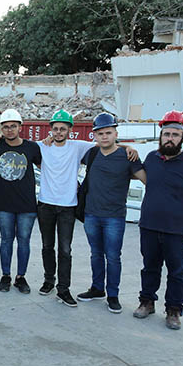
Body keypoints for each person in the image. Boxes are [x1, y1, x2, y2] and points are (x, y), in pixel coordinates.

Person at [36, 109, 138, 308]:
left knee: (65, 249)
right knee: (47, 246)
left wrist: (128, 147)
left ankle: (63, 289)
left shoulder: (78, 147)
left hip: (68, 206)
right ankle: (49, 280)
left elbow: (106, 144)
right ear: (51, 130)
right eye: (55, 129)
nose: (59, 132)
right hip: (46, 204)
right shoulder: (42, 146)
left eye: (63, 129)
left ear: (69, 130)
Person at [134, 111, 183, 330]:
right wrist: (127, 149)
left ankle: (174, 310)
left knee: (177, 272)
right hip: (149, 226)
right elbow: (139, 173)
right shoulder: (151, 159)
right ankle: (147, 302)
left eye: (175, 135)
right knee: (149, 267)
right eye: (166, 134)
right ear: (160, 136)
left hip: (178, 231)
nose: (170, 138)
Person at [76, 113, 146, 314]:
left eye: (108, 133)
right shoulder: (91, 154)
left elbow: (147, 180)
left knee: (113, 257)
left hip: (114, 217)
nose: (104, 136)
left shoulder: (128, 157)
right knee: (96, 254)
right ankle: (97, 288)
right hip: (91, 214)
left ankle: (113, 295)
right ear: (94, 135)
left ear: (116, 133)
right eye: (100, 133)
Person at [0, 109, 41, 294]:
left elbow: (47, 165)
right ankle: (6, 275)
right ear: (1, 129)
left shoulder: (32, 148)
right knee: (6, 240)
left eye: (13, 126)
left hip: (27, 204)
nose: (10, 130)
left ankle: (21, 277)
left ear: (20, 127)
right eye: (5, 127)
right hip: (4, 203)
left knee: (24, 241)